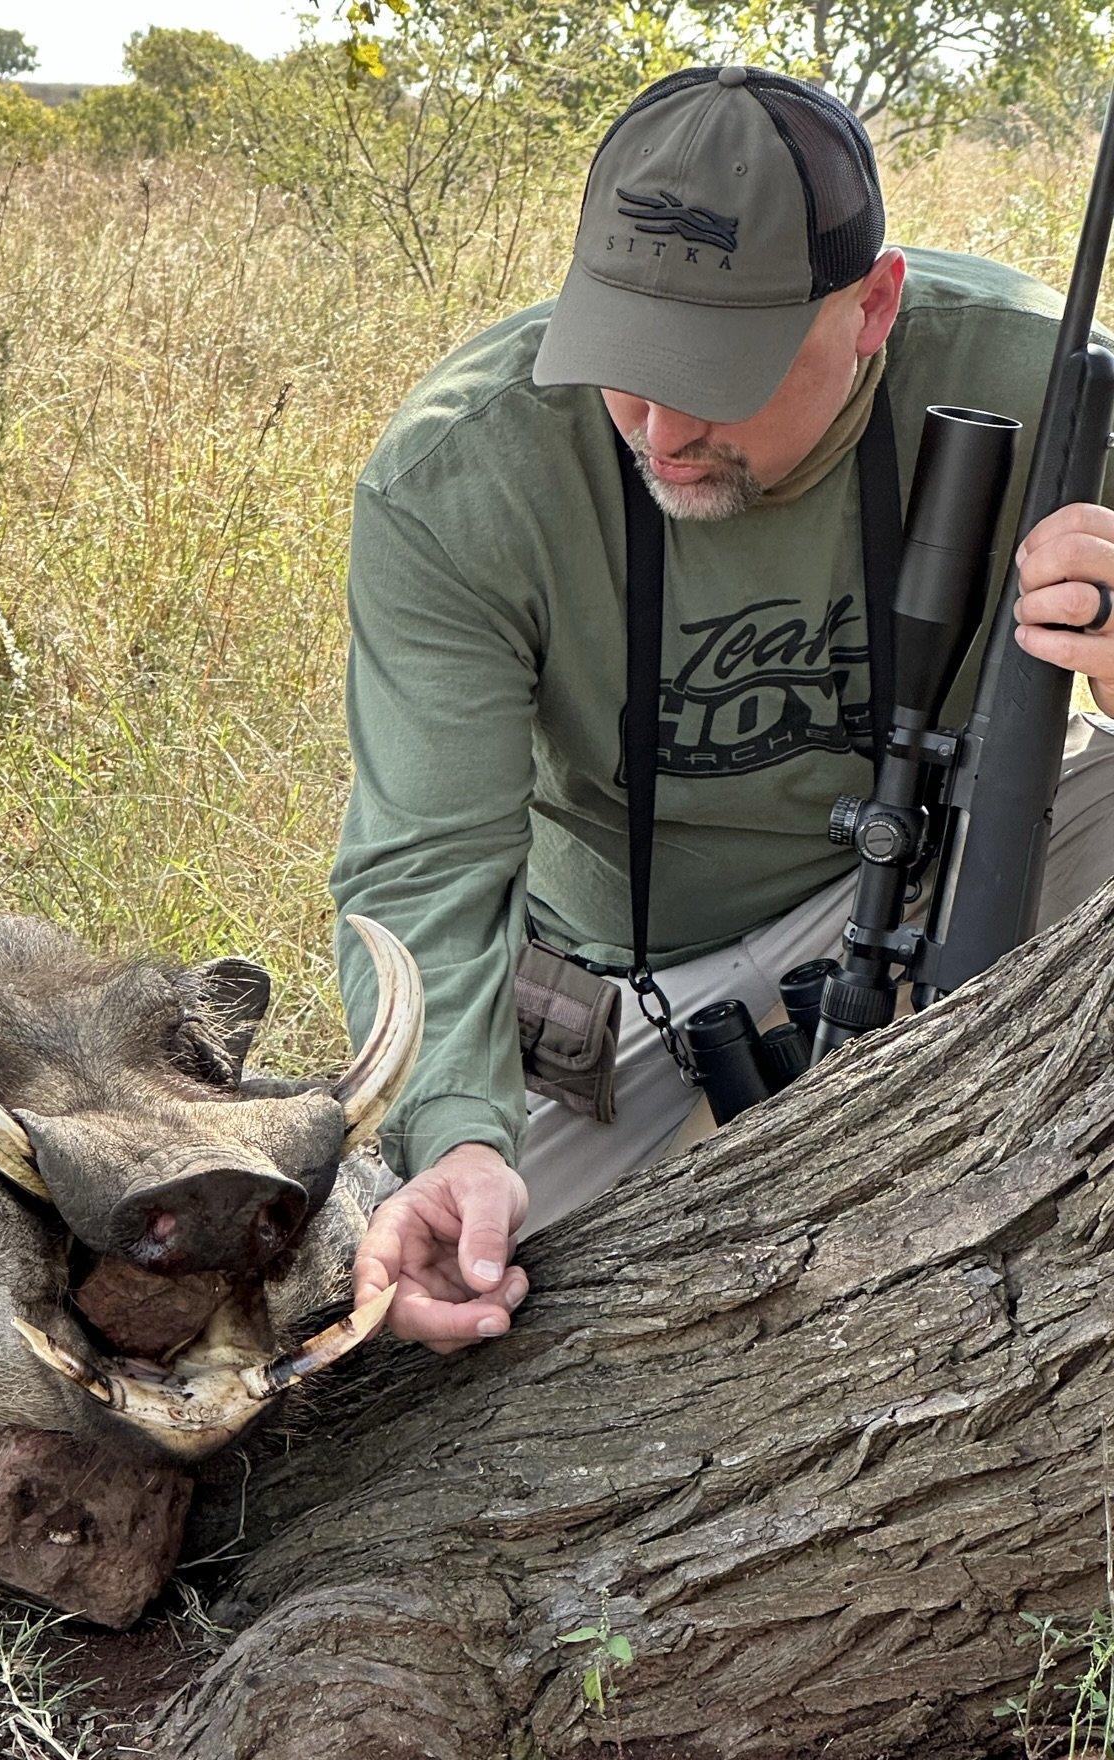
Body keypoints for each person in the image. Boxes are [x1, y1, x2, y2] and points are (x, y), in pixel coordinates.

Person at [329, 63, 1114, 1352]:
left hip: (952, 876)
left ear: (875, 306)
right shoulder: (460, 475)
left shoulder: (1046, 374)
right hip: (623, 983)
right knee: (443, 1300)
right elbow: (424, 864)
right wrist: (455, 1135)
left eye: (723, 372)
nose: (664, 428)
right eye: (628, 363)